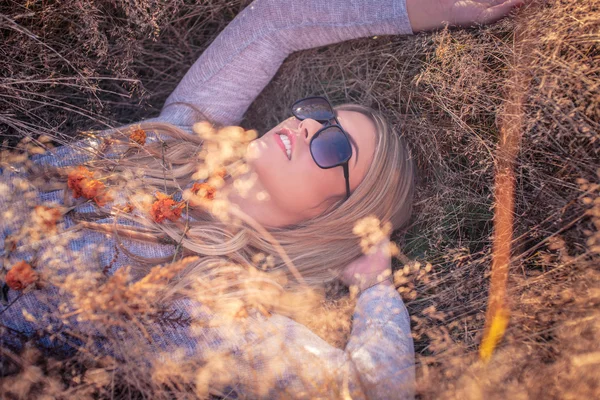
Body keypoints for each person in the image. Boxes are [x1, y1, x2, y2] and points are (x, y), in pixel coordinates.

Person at [0, 0, 522, 398]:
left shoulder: (210, 296)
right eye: (321, 113)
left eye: (335, 145)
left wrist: (376, 289)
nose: (309, 125)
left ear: (333, 214)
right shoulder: (179, 135)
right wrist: (440, 8)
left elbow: (369, 387)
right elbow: (273, 21)